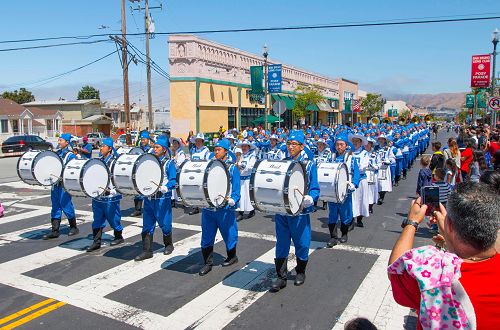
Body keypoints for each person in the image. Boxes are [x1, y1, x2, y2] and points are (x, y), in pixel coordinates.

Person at [388, 182, 500, 330]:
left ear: (451, 225)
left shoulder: (435, 276)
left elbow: (396, 269)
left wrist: (412, 222)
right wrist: (450, 236)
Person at [271, 130, 319, 292]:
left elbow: (315, 188)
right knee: (282, 243)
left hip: (300, 211)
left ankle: (300, 271)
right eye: (288, 144)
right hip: (283, 210)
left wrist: (311, 198)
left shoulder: (310, 164)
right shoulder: (283, 162)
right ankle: (281, 276)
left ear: (302, 146)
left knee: (302, 243)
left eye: (294, 144)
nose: (290, 147)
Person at [198, 139, 240, 276]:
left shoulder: (232, 168)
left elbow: (236, 189)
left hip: (224, 208)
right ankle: (207, 263)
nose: (216, 152)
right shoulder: (209, 166)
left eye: (219, 150)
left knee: (229, 233)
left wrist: (233, 200)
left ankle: (232, 256)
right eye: (215, 150)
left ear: (226, 152)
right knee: (207, 235)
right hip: (209, 208)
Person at [135, 136, 177, 261]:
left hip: (162, 198)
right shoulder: (150, 162)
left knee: (165, 223)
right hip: (149, 197)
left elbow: (173, 180)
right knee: (147, 224)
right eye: (154, 147)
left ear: (164, 149)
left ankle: (168, 244)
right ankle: (147, 250)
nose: (154, 149)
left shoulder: (169, 163)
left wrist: (166, 187)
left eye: (157, 147)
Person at [86, 138, 124, 252]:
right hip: (98, 195)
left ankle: (118, 236)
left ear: (110, 149)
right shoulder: (99, 160)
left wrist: (114, 190)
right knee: (97, 218)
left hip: (110, 195)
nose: (101, 148)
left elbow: (119, 178)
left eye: (103, 146)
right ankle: (96, 241)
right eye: (101, 146)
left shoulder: (114, 162)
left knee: (113, 218)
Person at [43, 133, 79, 239]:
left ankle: (73, 227)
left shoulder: (70, 155)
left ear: (67, 142)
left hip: (64, 185)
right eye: (58, 140)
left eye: (61, 140)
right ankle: (55, 230)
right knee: (55, 206)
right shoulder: (57, 153)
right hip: (55, 184)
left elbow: (72, 170)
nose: (59, 142)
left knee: (66, 205)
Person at [325, 134, 359, 247]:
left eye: (341, 144)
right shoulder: (331, 157)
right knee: (332, 214)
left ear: (346, 145)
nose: (339, 147)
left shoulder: (351, 158)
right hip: (332, 191)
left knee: (345, 214)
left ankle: (344, 234)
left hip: (345, 190)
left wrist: (354, 184)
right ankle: (333, 237)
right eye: (337, 144)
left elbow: (356, 173)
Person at [131, 131, 154, 217]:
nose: (142, 141)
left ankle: (150, 209)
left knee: (148, 190)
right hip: (138, 172)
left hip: (148, 172)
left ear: (148, 139)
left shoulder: (151, 149)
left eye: (144, 139)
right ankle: (137, 209)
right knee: (137, 191)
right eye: (141, 139)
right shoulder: (138, 148)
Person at [349, 133, 370, 228]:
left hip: (361, 179)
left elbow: (364, 165)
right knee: (352, 199)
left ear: (361, 143)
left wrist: (355, 169)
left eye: (357, 141)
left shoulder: (364, 153)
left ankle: (359, 219)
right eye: (354, 141)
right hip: (351, 179)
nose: (355, 143)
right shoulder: (349, 152)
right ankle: (351, 218)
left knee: (361, 199)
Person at [188, 133, 211, 215]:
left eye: (199, 141)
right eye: (196, 141)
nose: (197, 142)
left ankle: (204, 205)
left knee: (202, 190)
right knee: (194, 189)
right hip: (193, 173)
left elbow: (208, 162)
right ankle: (195, 206)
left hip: (201, 174)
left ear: (202, 141)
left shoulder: (206, 150)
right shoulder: (193, 150)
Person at [236, 139, 256, 221]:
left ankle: (251, 210)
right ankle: (240, 212)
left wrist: (240, 165)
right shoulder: (239, 156)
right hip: (240, 178)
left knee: (248, 196)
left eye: (245, 146)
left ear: (248, 147)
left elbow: (251, 167)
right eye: (242, 146)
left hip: (248, 179)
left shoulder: (252, 156)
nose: (244, 148)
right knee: (240, 195)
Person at [170, 137, 186, 208]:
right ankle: (172, 201)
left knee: (179, 188)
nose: (174, 144)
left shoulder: (181, 153)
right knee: (173, 187)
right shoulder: (174, 152)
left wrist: (174, 160)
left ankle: (185, 203)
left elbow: (180, 164)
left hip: (178, 173)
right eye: (173, 143)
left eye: (176, 143)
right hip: (174, 172)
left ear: (179, 145)